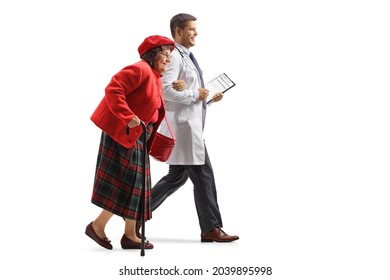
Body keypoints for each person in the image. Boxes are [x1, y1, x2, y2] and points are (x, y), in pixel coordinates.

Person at [85, 35, 184, 250]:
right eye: (164, 54)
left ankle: (129, 234)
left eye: (170, 55)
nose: (168, 59)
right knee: (126, 182)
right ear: (152, 55)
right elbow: (113, 89)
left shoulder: (155, 76)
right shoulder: (140, 69)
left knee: (138, 185)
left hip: (139, 135)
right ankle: (97, 226)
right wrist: (127, 115)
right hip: (123, 132)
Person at [149, 13, 239, 242]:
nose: (196, 33)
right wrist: (194, 94)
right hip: (184, 131)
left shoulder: (187, 56)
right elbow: (164, 90)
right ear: (178, 31)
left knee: (176, 178)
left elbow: (186, 93)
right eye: (191, 29)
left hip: (189, 128)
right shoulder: (174, 57)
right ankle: (211, 228)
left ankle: (135, 211)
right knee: (204, 175)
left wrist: (206, 98)